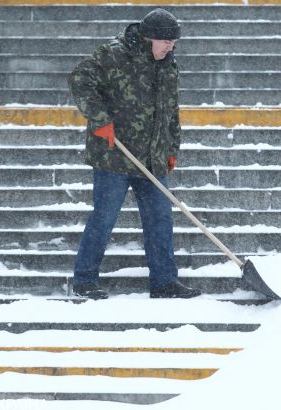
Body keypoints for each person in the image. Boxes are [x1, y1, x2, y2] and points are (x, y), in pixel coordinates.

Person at [68, 8, 201, 300]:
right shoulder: (113, 55)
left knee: (160, 219)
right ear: (147, 38)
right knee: (104, 217)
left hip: (152, 159)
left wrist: (171, 149)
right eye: (166, 41)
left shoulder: (168, 65)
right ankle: (84, 280)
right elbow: (80, 80)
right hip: (114, 155)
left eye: (174, 42)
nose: (171, 47)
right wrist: (100, 119)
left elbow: (171, 112)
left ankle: (164, 282)